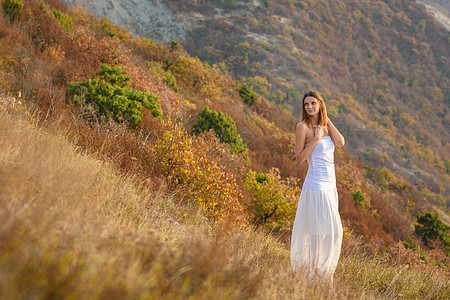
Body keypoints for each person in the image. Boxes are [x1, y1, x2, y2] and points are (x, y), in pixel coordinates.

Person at [291, 90, 345, 283]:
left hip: (331, 186)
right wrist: (315, 139)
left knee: (334, 232)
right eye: (307, 104)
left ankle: (323, 273)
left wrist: (327, 122)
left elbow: (340, 142)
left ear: (320, 104)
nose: (310, 107)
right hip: (315, 185)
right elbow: (300, 158)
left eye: (313, 103)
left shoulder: (325, 125)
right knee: (316, 234)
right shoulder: (302, 127)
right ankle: (312, 279)